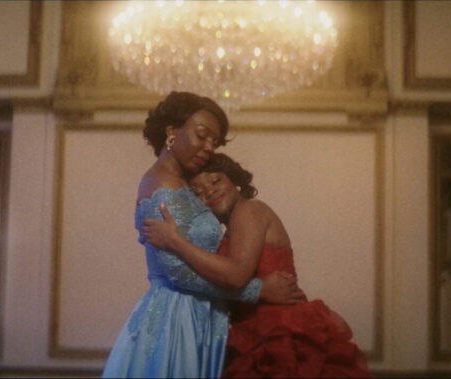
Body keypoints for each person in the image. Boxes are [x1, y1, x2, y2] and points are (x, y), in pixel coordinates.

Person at [102, 92, 305, 378]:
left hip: (201, 317)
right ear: (172, 132)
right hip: (177, 321)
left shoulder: (187, 185)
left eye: (214, 142)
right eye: (202, 136)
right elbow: (178, 274)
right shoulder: (160, 185)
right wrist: (259, 290)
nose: (209, 147)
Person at [142, 153, 372, 378]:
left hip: (279, 330)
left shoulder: (249, 210)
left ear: (235, 182)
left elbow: (235, 275)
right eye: (198, 192)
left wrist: (174, 241)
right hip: (255, 329)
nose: (210, 191)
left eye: (216, 180)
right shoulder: (231, 227)